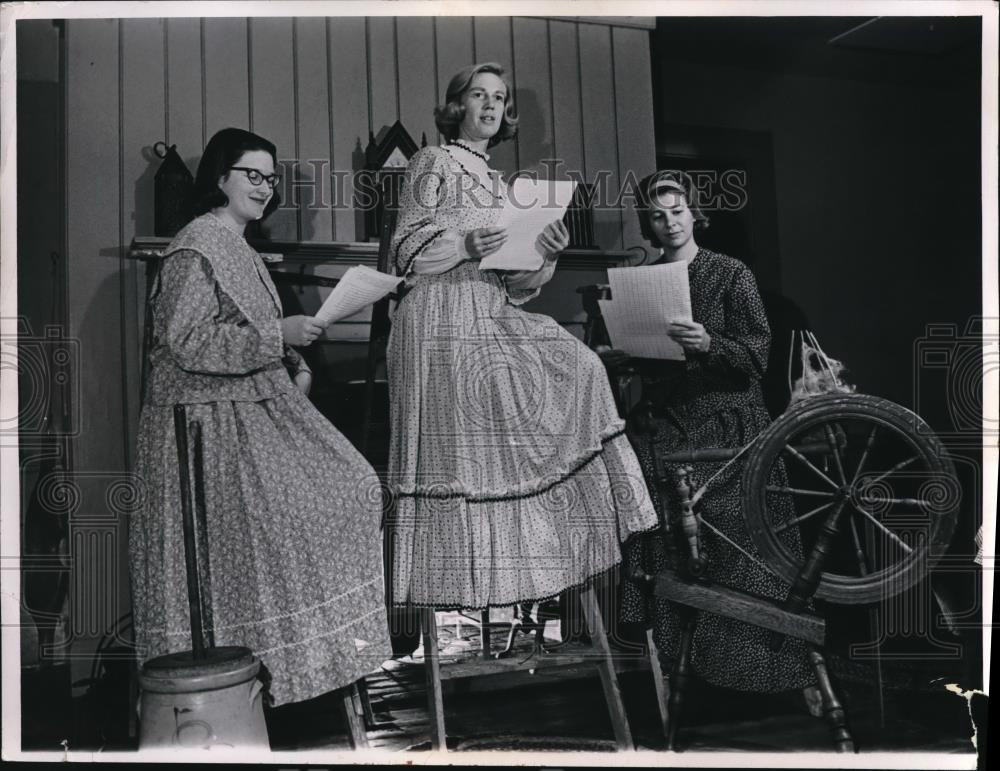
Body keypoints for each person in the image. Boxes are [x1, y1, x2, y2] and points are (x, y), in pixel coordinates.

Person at [129, 127, 392, 707]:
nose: (265, 187)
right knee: (314, 507)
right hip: (204, 428)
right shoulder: (196, 244)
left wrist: (294, 354)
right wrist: (280, 335)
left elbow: (239, 331)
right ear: (219, 177)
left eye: (271, 179)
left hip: (247, 411)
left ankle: (303, 664)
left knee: (353, 486)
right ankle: (252, 683)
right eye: (253, 174)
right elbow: (187, 341)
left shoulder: (241, 248)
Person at [385, 63, 658, 613]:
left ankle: (538, 560)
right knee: (464, 458)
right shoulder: (431, 160)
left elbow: (517, 282)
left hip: (488, 307)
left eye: (499, 97)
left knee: (578, 365)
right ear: (456, 106)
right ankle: (456, 586)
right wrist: (465, 245)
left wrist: (546, 253)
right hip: (440, 315)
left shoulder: (498, 182)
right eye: (478, 95)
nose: (490, 105)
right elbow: (405, 251)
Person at [618, 170, 817, 696]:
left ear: (694, 212)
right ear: (649, 223)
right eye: (658, 215)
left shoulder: (730, 273)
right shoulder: (643, 282)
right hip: (667, 426)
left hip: (728, 426)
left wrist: (709, 342)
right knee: (664, 539)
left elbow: (757, 357)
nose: (669, 222)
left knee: (737, 548)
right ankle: (689, 669)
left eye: (677, 211)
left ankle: (758, 670)